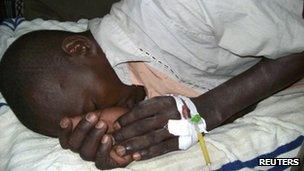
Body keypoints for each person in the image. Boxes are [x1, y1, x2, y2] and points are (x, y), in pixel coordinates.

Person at [0, 0, 304, 169]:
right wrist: (119, 141)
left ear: (79, 49)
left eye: (93, 109)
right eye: (88, 125)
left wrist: (213, 107)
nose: (105, 117)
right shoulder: (128, 86)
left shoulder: (181, 9)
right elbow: (213, 105)